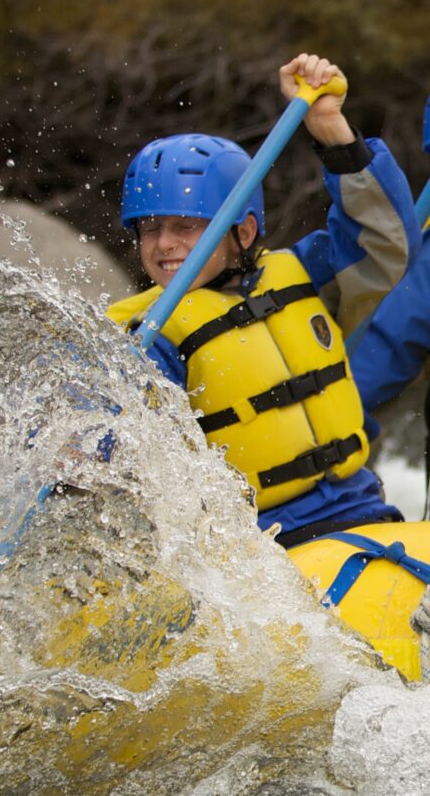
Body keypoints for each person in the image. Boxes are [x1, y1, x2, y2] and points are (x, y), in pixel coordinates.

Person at [107, 53, 421, 548]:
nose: (164, 245)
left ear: (245, 230)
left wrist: (329, 126)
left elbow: (384, 238)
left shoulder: (305, 274)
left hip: (366, 511)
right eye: (150, 229)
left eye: (187, 227)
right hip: (265, 548)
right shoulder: (149, 338)